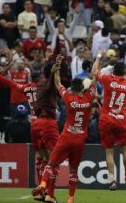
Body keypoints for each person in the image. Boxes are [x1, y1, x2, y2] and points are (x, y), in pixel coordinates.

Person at [32, 61, 96, 203]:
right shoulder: (89, 98)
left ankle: (43, 185)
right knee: (73, 170)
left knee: (52, 163)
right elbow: (94, 79)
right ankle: (70, 199)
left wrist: (57, 68)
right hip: (80, 140)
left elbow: (58, 83)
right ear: (83, 88)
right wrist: (98, 59)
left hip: (66, 137)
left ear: (72, 88)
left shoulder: (68, 97)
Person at [92, 56, 126, 190]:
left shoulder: (108, 80)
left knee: (109, 153)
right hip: (121, 121)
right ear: (125, 73)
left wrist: (99, 58)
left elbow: (94, 71)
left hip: (106, 120)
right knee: (125, 150)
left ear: (113, 72)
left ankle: (112, 181)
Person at [30, 54, 63, 202]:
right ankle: (49, 193)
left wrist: (48, 60)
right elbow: (52, 81)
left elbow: (44, 69)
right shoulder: (49, 83)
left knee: (42, 158)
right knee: (53, 161)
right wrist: (55, 69)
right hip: (48, 124)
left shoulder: (40, 81)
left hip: (36, 123)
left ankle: (41, 192)